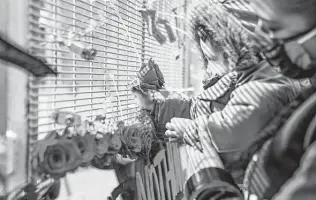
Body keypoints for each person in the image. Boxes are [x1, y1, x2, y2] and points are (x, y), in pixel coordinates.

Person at [164, 0, 316, 199]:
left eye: (272, 27)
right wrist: (161, 107)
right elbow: (204, 104)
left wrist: (208, 180)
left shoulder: (265, 84)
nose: (258, 36)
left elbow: (237, 124)